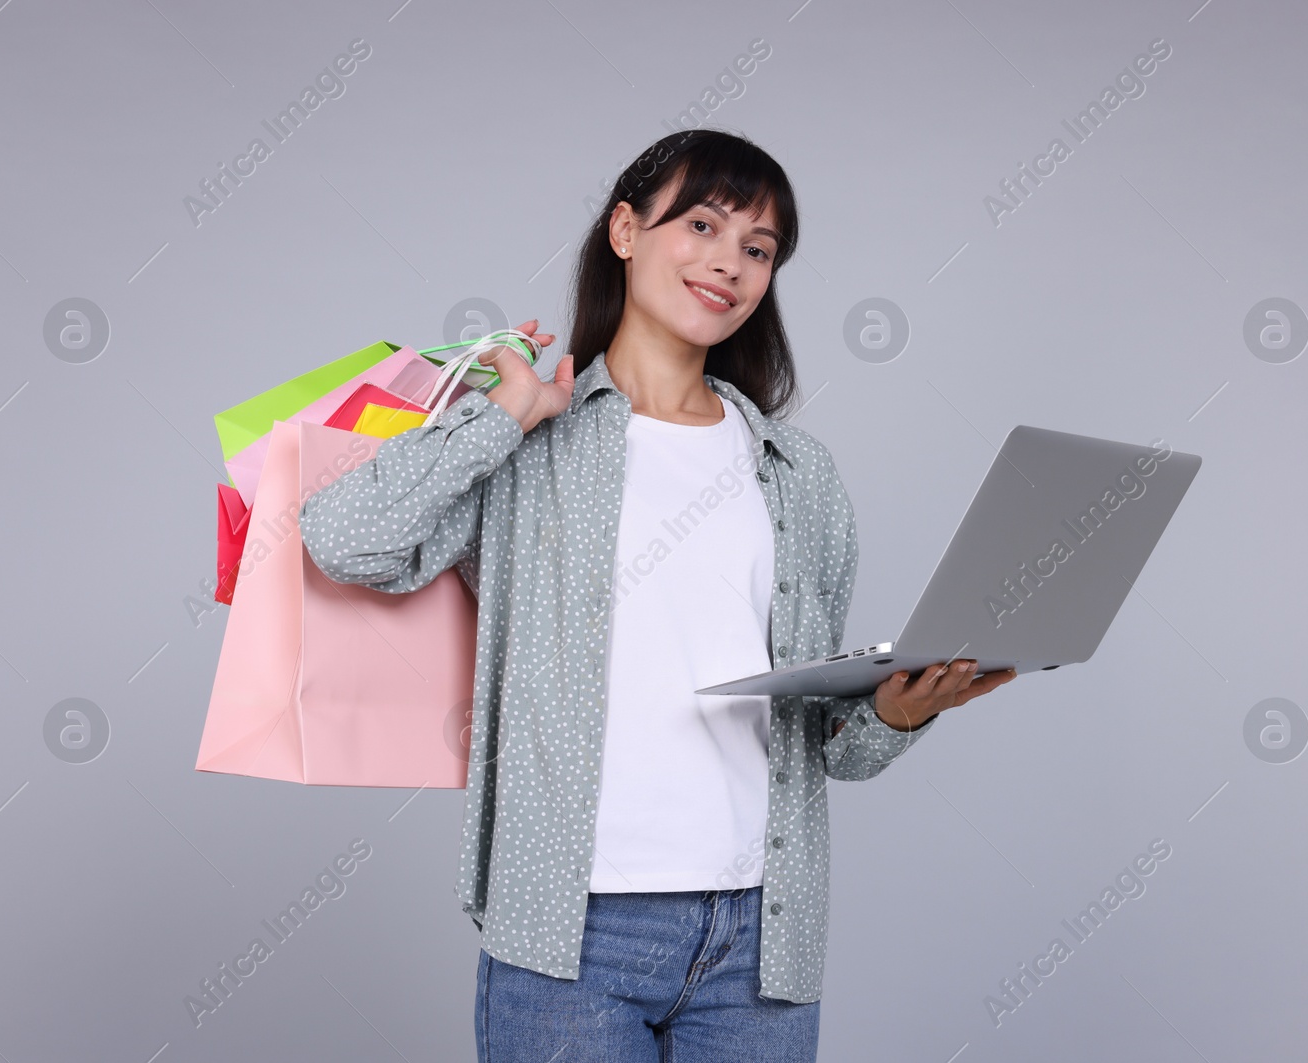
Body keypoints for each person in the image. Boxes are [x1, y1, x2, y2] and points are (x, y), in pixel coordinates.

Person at [298, 129, 1017, 1063]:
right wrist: (504, 415)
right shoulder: (531, 446)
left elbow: (830, 747)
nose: (731, 262)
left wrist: (897, 710)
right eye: (704, 223)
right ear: (626, 231)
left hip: (762, 935)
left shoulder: (798, 472)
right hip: (573, 933)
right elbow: (345, 541)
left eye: (758, 248)